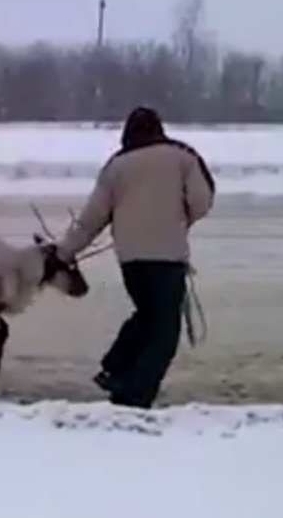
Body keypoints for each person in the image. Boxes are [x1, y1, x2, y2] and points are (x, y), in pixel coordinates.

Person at [55, 106, 216, 409]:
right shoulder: (182, 155)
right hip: (168, 256)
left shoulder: (116, 166)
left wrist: (64, 252)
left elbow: (91, 219)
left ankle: (116, 368)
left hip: (131, 260)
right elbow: (203, 199)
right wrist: (182, 219)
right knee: (165, 332)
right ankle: (134, 396)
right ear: (159, 128)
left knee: (148, 315)